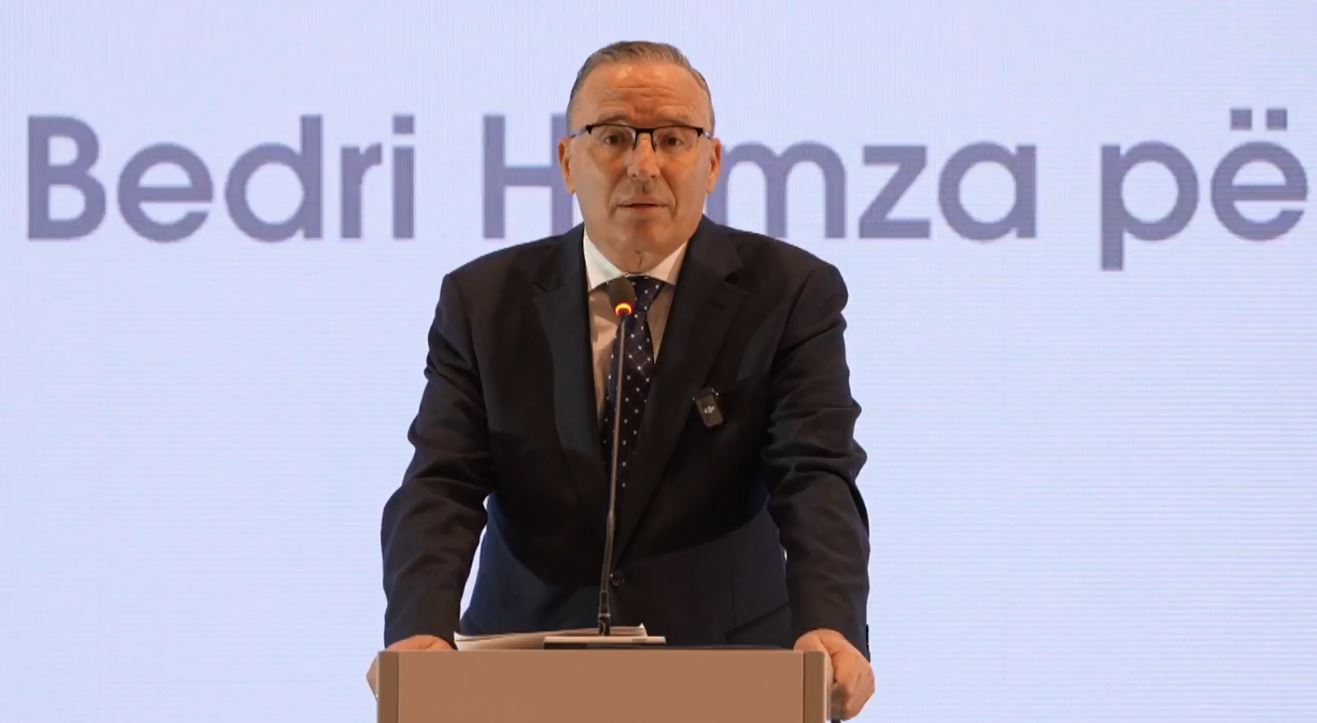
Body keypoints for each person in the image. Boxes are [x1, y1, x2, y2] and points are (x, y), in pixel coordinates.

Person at [368, 40, 875, 719]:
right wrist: (419, 627)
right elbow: (442, 481)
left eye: (672, 139)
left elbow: (814, 476)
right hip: (522, 669)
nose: (643, 165)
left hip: (723, 668)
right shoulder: (483, 302)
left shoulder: (789, 293)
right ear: (567, 162)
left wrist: (831, 622)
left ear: (712, 163)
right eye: (612, 137)